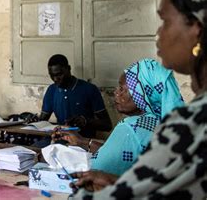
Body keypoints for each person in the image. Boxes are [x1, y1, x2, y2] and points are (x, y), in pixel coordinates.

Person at [70, 0, 207, 199]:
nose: (159, 33)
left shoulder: (192, 124)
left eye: (165, 21)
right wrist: (119, 182)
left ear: (196, 29)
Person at [54, 59, 184, 176]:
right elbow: (120, 155)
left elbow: (99, 168)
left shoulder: (132, 128)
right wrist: (82, 141)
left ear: (141, 94)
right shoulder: (163, 122)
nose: (116, 92)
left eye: (122, 88)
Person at [40, 54, 112, 138]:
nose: (55, 79)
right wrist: (32, 122)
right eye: (52, 75)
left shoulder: (89, 89)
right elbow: (41, 122)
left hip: (83, 142)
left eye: (59, 74)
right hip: (59, 140)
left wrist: (85, 121)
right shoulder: (52, 90)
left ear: (68, 69)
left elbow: (107, 125)